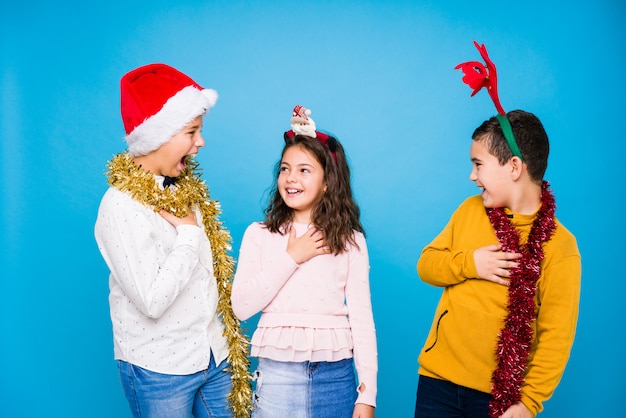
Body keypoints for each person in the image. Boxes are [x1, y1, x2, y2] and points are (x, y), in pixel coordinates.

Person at [414, 42, 581, 418]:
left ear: (514, 167)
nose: (472, 176)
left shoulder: (560, 247)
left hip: (498, 398)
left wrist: (528, 403)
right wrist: (469, 263)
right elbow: (427, 265)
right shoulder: (470, 211)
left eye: (479, 164)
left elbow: (556, 336)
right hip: (437, 381)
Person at [94, 63, 251, 418]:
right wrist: (190, 235)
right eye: (192, 131)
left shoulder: (185, 189)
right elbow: (152, 300)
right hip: (159, 366)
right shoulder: (121, 206)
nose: (201, 142)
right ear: (157, 136)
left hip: (215, 353)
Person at [231, 105, 377, 418]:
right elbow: (241, 307)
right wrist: (293, 256)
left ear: (327, 182)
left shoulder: (351, 241)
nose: (291, 178)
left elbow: (362, 319)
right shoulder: (259, 234)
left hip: (335, 377)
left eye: (304, 170)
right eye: (285, 169)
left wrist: (368, 394)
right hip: (277, 379)